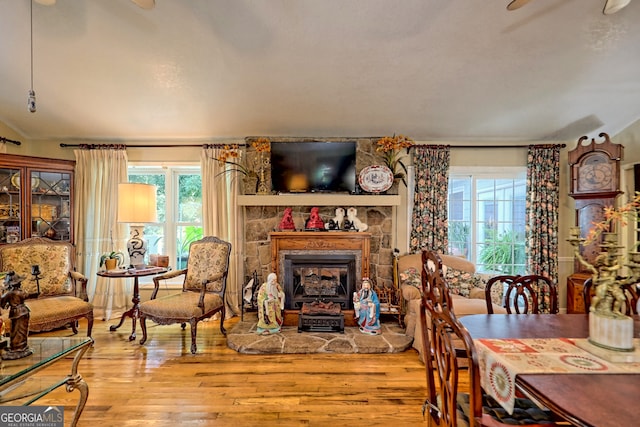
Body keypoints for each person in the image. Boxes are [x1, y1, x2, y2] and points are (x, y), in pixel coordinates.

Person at [1, 271, 37, 359]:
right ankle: (20, 346)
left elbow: (2, 303)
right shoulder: (21, 292)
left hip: (16, 313)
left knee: (16, 330)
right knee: (21, 330)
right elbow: (28, 295)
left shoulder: (9, 293)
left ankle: (17, 348)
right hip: (24, 311)